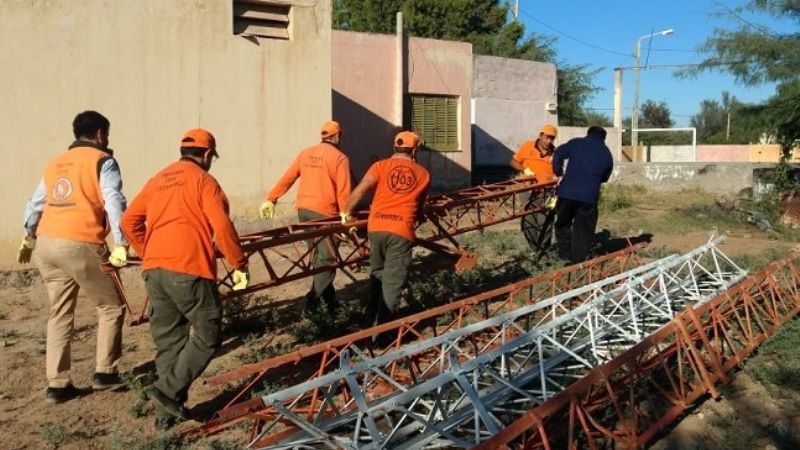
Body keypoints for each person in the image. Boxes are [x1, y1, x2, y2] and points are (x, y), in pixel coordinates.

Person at [120, 128, 248, 429]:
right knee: (208, 335)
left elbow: (129, 220)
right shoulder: (204, 181)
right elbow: (221, 225)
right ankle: (166, 391)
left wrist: (147, 251)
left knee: (169, 343)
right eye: (211, 157)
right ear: (206, 155)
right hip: (189, 268)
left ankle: (166, 415)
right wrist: (239, 264)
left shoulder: (158, 179)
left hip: (153, 271)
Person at [17, 110, 129, 403]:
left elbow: (35, 203)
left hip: (47, 244)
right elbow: (113, 200)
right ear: (100, 135)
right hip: (80, 242)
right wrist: (121, 242)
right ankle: (105, 373)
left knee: (60, 312)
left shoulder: (55, 163)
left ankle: (57, 384)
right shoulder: (102, 161)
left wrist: (29, 237)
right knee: (111, 306)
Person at [260, 121, 352, 311]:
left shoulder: (306, 153)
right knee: (327, 259)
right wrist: (345, 213)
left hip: (304, 211)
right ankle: (313, 304)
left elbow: (289, 176)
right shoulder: (340, 158)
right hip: (326, 213)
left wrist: (272, 198)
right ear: (337, 136)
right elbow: (344, 190)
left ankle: (330, 301)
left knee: (319, 256)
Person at [343, 131, 430, 325]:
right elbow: (421, 208)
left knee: (377, 275)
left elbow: (360, 191)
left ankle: (368, 321)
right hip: (401, 231)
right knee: (392, 283)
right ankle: (383, 333)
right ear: (415, 150)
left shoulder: (379, 166)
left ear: (394, 147)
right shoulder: (423, 174)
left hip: (376, 227)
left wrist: (346, 212)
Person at [551, 125, 614, 263]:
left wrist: (558, 171)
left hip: (566, 193)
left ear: (588, 133)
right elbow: (605, 177)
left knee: (563, 223)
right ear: (603, 138)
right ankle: (578, 261)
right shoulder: (606, 153)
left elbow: (558, 153)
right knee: (583, 229)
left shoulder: (576, 143)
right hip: (588, 197)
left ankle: (564, 255)